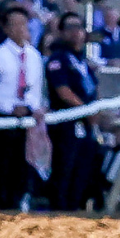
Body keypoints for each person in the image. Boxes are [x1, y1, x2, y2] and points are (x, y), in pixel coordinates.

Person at [0, 4, 47, 210]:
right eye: (16, 24)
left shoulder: (34, 56)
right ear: (7, 29)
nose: (21, 28)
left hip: (26, 120)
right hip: (2, 118)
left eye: (24, 24)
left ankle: (17, 204)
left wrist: (35, 107)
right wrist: (10, 107)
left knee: (22, 167)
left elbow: (36, 88)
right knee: (1, 166)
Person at [44, 11, 102, 210]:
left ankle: (76, 209)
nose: (76, 32)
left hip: (86, 125)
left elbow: (93, 89)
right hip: (66, 124)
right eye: (70, 27)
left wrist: (95, 111)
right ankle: (59, 211)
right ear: (61, 32)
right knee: (64, 170)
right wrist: (86, 110)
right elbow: (63, 91)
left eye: (79, 27)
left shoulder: (83, 61)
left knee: (83, 171)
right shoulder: (58, 59)